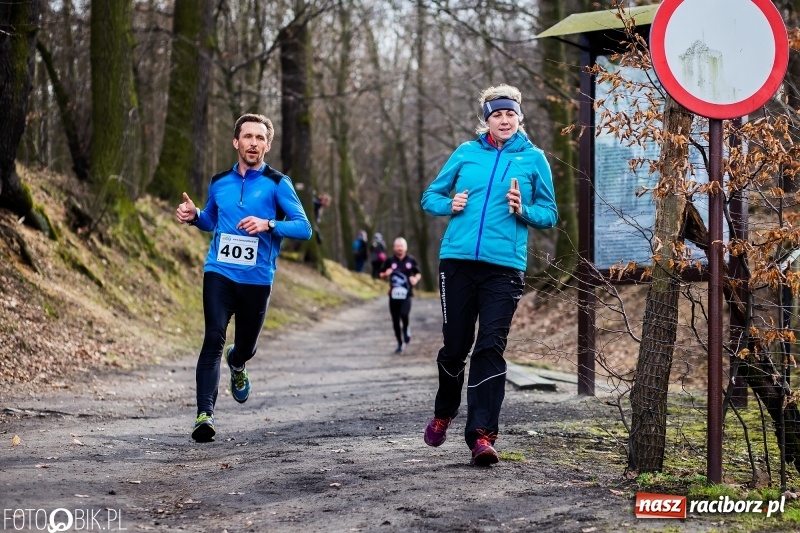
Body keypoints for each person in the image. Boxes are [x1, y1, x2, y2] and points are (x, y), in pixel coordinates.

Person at [420, 84, 557, 466]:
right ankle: (445, 411)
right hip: (458, 261)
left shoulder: (533, 159)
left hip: (504, 267)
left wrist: (523, 209)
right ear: (487, 120)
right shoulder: (466, 152)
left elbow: (550, 213)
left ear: (519, 118)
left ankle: (481, 435)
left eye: (510, 113)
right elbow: (430, 197)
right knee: (455, 347)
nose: (504, 119)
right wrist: (450, 203)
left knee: (490, 347)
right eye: (497, 114)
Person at [175, 113, 312, 443]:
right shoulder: (219, 181)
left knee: (245, 348)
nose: (253, 143)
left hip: (257, 280)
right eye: (248, 136)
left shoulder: (278, 183)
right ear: (236, 141)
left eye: (260, 138)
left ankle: (237, 363)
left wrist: (269, 224)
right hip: (219, 273)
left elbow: (304, 228)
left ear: (267, 145)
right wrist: (195, 216)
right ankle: (205, 414)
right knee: (213, 337)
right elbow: (212, 220)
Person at [379, 237, 421, 354]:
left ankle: (406, 328)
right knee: (395, 320)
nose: (399, 248)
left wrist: (415, 279)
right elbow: (380, 274)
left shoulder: (411, 260)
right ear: (394, 248)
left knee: (404, 314)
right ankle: (399, 342)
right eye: (397, 246)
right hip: (393, 295)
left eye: (401, 246)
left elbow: (418, 273)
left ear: (405, 248)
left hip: (407, 294)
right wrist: (385, 274)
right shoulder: (389, 261)